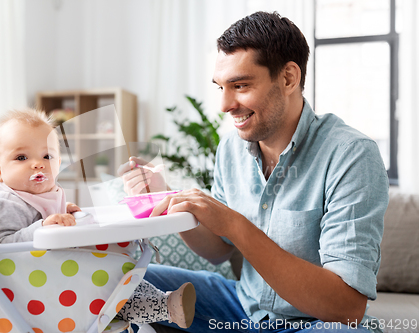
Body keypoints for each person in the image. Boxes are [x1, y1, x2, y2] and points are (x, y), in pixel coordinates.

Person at [118, 11, 388, 333]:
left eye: (241, 85)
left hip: (316, 323)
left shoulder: (351, 155)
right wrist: (169, 199)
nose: (225, 104)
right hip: (239, 308)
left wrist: (236, 224)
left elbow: (346, 307)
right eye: (221, 87)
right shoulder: (230, 149)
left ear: (288, 78)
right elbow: (218, 251)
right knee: (118, 278)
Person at [0, 109, 196, 328]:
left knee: (115, 273)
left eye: (47, 156)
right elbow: (0, 246)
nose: (38, 164)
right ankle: (165, 306)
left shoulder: (41, 194)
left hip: (58, 273)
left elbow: (41, 216)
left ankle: (166, 303)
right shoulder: (8, 202)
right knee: (106, 283)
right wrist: (43, 227)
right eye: (21, 157)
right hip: (36, 285)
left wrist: (64, 210)